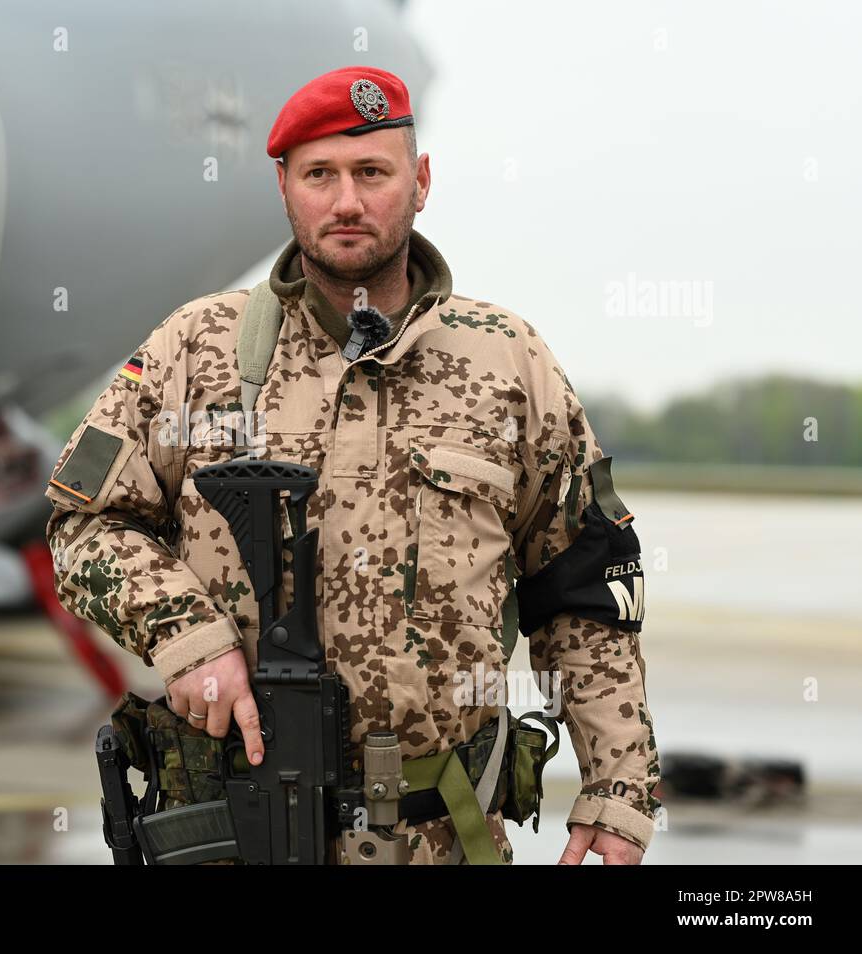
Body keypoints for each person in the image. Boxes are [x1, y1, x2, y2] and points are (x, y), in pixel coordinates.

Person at [46, 65, 660, 864]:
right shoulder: (196, 350)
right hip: (241, 829)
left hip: (444, 835)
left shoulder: (509, 361)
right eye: (320, 175)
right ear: (284, 187)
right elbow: (84, 522)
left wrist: (617, 788)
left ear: (421, 181)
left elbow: (583, 588)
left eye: (373, 172)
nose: (346, 202)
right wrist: (190, 637)